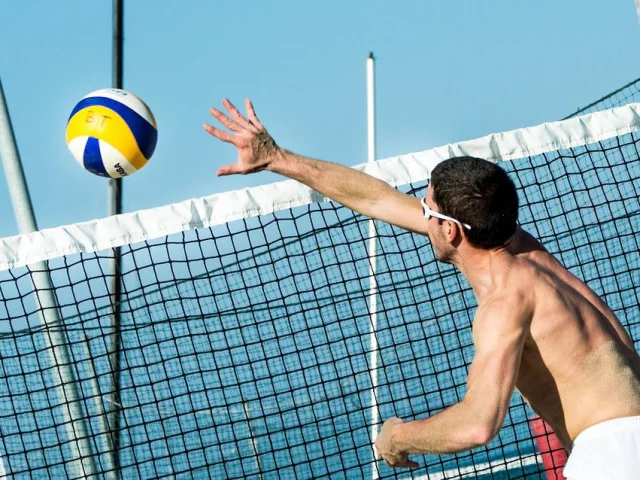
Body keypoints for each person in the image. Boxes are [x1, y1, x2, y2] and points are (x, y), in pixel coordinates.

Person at [204, 98, 640, 479]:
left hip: (613, 457)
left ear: (450, 232)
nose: (419, 212)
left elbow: (478, 424)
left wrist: (399, 437)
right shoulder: (521, 250)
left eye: (426, 206)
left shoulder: (506, 302)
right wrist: (278, 158)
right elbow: (378, 200)